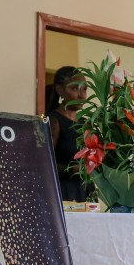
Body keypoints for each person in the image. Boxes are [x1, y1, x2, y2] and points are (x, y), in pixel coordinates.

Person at [48, 66, 89, 201]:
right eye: (75, 88)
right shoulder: (54, 121)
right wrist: (73, 169)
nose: (82, 95)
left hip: (84, 189)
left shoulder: (85, 122)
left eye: (84, 89)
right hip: (63, 192)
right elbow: (45, 163)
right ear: (60, 90)